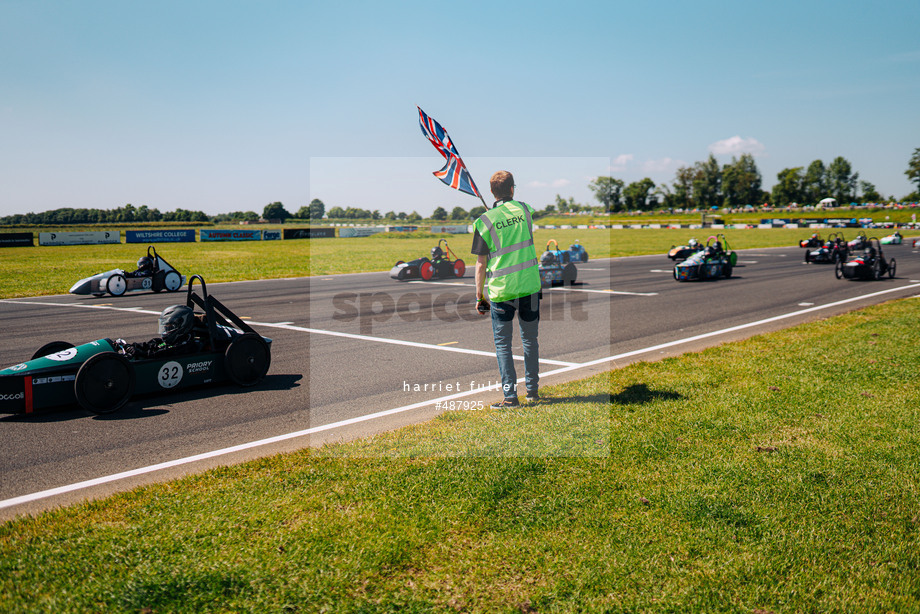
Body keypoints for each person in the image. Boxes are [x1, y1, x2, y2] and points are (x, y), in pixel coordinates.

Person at [471, 170, 542, 409]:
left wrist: (479, 296)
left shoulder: (484, 221)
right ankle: (532, 391)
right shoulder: (525, 210)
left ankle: (510, 397)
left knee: (503, 344)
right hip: (529, 286)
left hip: (502, 292)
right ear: (513, 188)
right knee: (530, 340)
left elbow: (481, 263)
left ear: (492, 191)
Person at [116, 304, 201, 359]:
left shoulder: (186, 345)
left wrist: (141, 353)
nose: (166, 331)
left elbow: (161, 354)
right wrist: (130, 346)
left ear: (182, 327)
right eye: (165, 327)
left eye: (169, 327)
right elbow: (153, 344)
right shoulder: (171, 342)